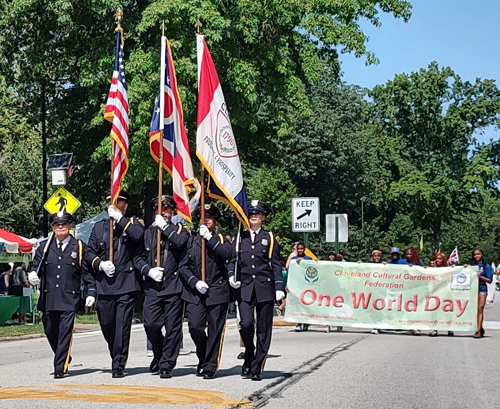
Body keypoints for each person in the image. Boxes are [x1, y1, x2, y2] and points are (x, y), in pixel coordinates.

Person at [28, 211, 96, 378]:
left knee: (65, 332)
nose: (61, 227)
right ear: (53, 227)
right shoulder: (44, 247)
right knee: (50, 330)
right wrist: (32, 276)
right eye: (57, 224)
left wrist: (91, 291)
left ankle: (60, 368)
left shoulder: (78, 246)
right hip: (48, 297)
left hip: (68, 298)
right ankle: (63, 355)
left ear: (69, 225)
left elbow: (86, 272)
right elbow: (35, 267)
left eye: (64, 224)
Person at [86, 190, 144, 378]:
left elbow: (137, 236)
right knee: (107, 324)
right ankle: (116, 353)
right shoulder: (98, 227)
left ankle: (118, 363)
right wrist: (100, 264)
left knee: (122, 325)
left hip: (126, 284)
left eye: (119, 202)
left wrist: (120, 219)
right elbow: (89, 253)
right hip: (105, 284)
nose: (115, 205)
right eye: (112, 202)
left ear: (125, 205)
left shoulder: (133, 224)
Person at [227, 200, 284, 381]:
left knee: (263, 328)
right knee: (246, 323)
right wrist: (231, 275)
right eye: (251, 214)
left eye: (257, 214)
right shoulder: (239, 238)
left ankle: (257, 366)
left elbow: (275, 264)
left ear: (263, 217)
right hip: (244, 288)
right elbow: (232, 261)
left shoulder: (270, 238)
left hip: (264, 287)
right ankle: (249, 352)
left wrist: (279, 287)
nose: (254, 216)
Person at [136, 195, 189, 379]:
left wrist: (165, 228)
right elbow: (138, 258)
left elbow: (181, 243)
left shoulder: (180, 229)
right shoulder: (147, 232)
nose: (164, 212)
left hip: (173, 286)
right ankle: (159, 355)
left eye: (167, 209)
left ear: (172, 211)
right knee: (150, 324)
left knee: (173, 328)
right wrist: (148, 271)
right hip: (152, 287)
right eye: (160, 209)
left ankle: (167, 364)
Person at [179, 204, 232, 379]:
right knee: (195, 326)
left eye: (210, 217)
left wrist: (209, 238)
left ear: (215, 221)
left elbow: (227, 254)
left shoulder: (222, 239)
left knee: (215, 329)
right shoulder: (191, 241)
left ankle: (210, 366)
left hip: (217, 289)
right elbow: (183, 266)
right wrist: (194, 282)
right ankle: (203, 356)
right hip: (196, 291)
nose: (206, 220)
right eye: (203, 217)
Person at [428, 251, 454, 337]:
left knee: (447, 311)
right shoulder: (432, 269)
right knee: (435, 311)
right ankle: (435, 330)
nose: (438, 260)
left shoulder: (448, 268)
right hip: (435, 291)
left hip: (445, 292)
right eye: (436, 258)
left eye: (439, 258)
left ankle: (450, 329)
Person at [470, 248, 492, 339]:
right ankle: (480, 327)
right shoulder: (471, 265)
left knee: (480, 308)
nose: (476, 256)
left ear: (482, 255)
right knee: (475, 309)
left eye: (478, 254)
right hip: (473, 288)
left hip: (482, 287)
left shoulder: (486, 266)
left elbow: (489, 280)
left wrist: (480, 276)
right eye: (475, 254)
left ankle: (478, 331)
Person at [291, 243, 312, 332]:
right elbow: (290, 273)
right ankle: (299, 323)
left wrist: (303, 261)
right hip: (296, 285)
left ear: (304, 249)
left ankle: (306, 323)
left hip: (306, 286)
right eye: (298, 249)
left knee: (306, 305)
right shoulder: (293, 260)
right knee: (297, 305)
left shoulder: (308, 259)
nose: (300, 250)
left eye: (301, 248)